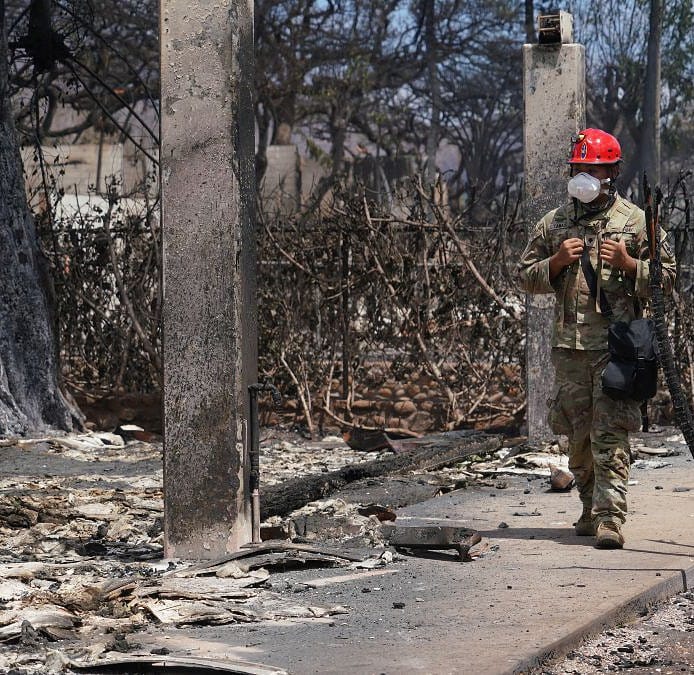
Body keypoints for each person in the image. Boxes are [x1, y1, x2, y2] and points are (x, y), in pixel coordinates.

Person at [518, 128, 676, 549]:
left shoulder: (637, 222)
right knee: (579, 438)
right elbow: (524, 276)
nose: (584, 176)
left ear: (612, 173)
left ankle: (610, 518)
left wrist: (630, 264)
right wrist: (555, 261)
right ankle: (588, 509)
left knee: (610, 435)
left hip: (617, 348)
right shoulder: (554, 223)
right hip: (570, 350)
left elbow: (669, 278)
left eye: (594, 169)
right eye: (579, 168)